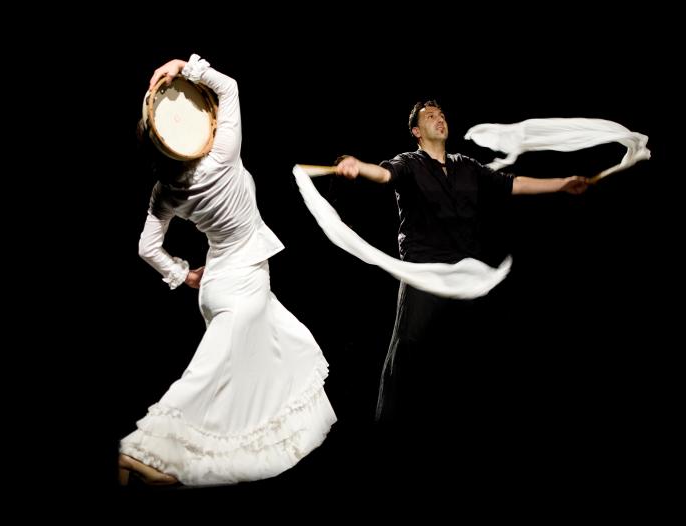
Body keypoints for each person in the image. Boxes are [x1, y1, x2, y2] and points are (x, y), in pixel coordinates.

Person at [119, 53, 336, 487]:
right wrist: (181, 65)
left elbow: (147, 246)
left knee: (265, 360)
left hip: (220, 281)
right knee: (211, 377)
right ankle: (137, 450)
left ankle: (172, 459)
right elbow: (229, 87)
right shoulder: (222, 153)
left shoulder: (166, 191)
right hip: (242, 285)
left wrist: (185, 275)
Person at [334, 100, 589, 443]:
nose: (439, 119)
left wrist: (561, 183)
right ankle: (387, 434)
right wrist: (355, 165)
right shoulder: (408, 164)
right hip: (425, 270)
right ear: (415, 131)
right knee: (409, 346)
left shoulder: (466, 166)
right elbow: (383, 174)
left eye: (441, 114)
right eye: (429, 116)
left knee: (478, 349)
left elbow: (510, 184)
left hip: (466, 271)